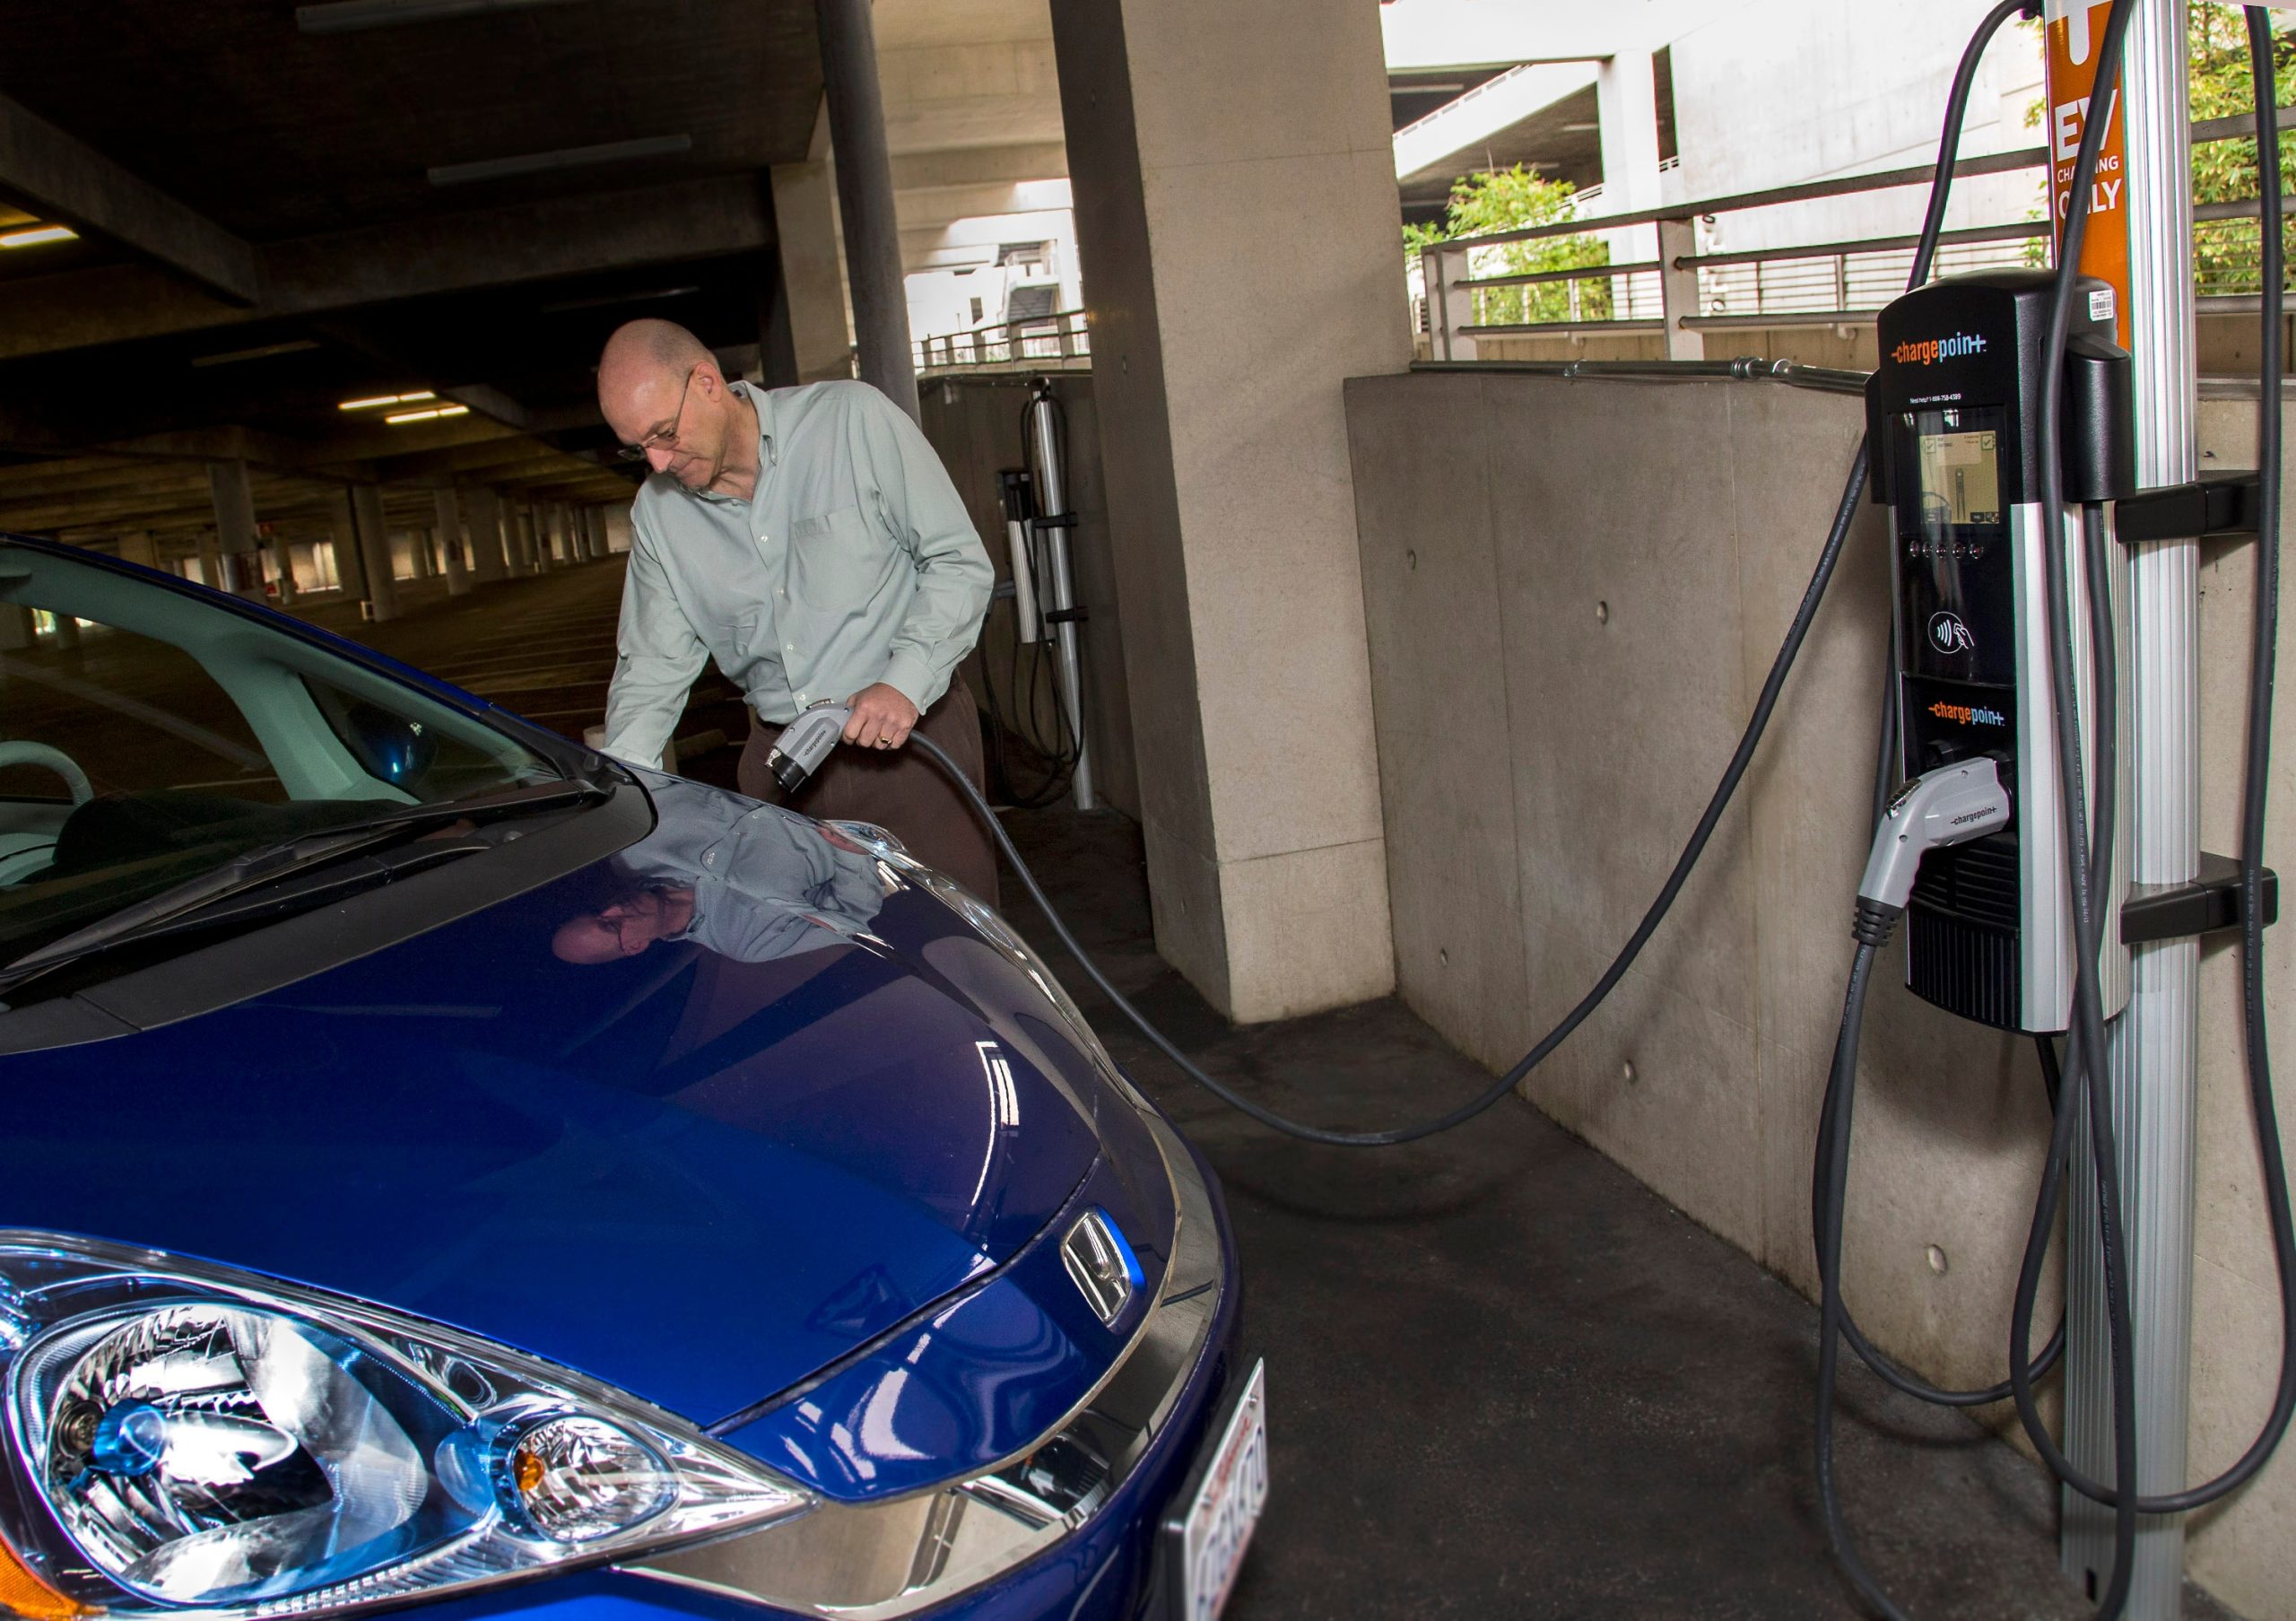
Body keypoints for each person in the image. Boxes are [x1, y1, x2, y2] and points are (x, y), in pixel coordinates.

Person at [594, 318, 998, 902]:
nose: (657, 463)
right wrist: (621, 802)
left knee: (953, 957)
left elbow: (957, 563)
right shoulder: (658, 516)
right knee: (804, 970)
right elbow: (651, 668)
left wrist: (904, 681)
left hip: (911, 748)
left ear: (708, 383)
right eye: (639, 448)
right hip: (781, 768)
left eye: (664, 434)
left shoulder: (852, 421)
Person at [552, 778, 892, 967]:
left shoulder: (635, 848)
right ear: (635, 946)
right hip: (864, 823)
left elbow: (644, 776)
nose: (615, 908)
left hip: (792, 762)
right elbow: (854, 917)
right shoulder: (745, 941)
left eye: (600, 910)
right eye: (611, 924)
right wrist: (850, 853)